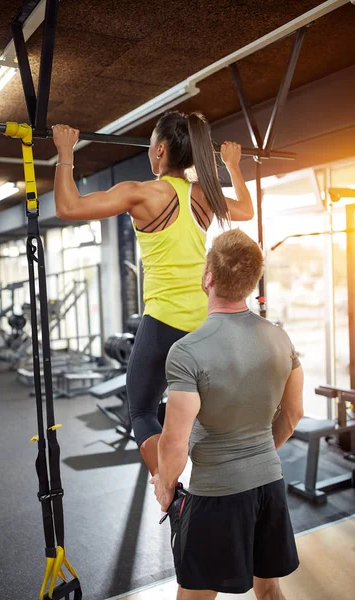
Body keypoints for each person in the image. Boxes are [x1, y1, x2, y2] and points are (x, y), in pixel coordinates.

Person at [52, 111, 254, 474]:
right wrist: (233, 166)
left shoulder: (141, 193)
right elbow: (246, 209)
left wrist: (66, 152)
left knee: (142, 411)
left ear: (160, 150)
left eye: (149, 146)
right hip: (206, 324)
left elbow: (67, 207)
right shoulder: (203, 195)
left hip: (164, 322)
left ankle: (170, 493)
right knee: (205, 412)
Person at [150, 228, 304, 600]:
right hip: (270, 486)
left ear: (208, 278)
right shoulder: (279, 337)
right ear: (251, 282)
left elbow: (174, 442)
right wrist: (261, 454)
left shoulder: (187, 351)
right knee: (269, 592)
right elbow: (294, 411)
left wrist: (165, 486)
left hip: (217, 494)